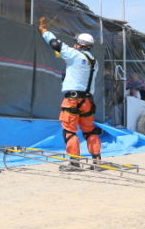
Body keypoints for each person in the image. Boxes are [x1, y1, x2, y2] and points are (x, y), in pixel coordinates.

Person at [38, 17, 102, 171]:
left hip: (72, 100)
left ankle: (74, 163)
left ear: (79, 44)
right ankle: (97, 162)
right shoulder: (94, 60)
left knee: (70, 130)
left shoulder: (74, 55)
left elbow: (55, 44)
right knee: (89, 130)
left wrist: (44, 31)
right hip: (87, 102)